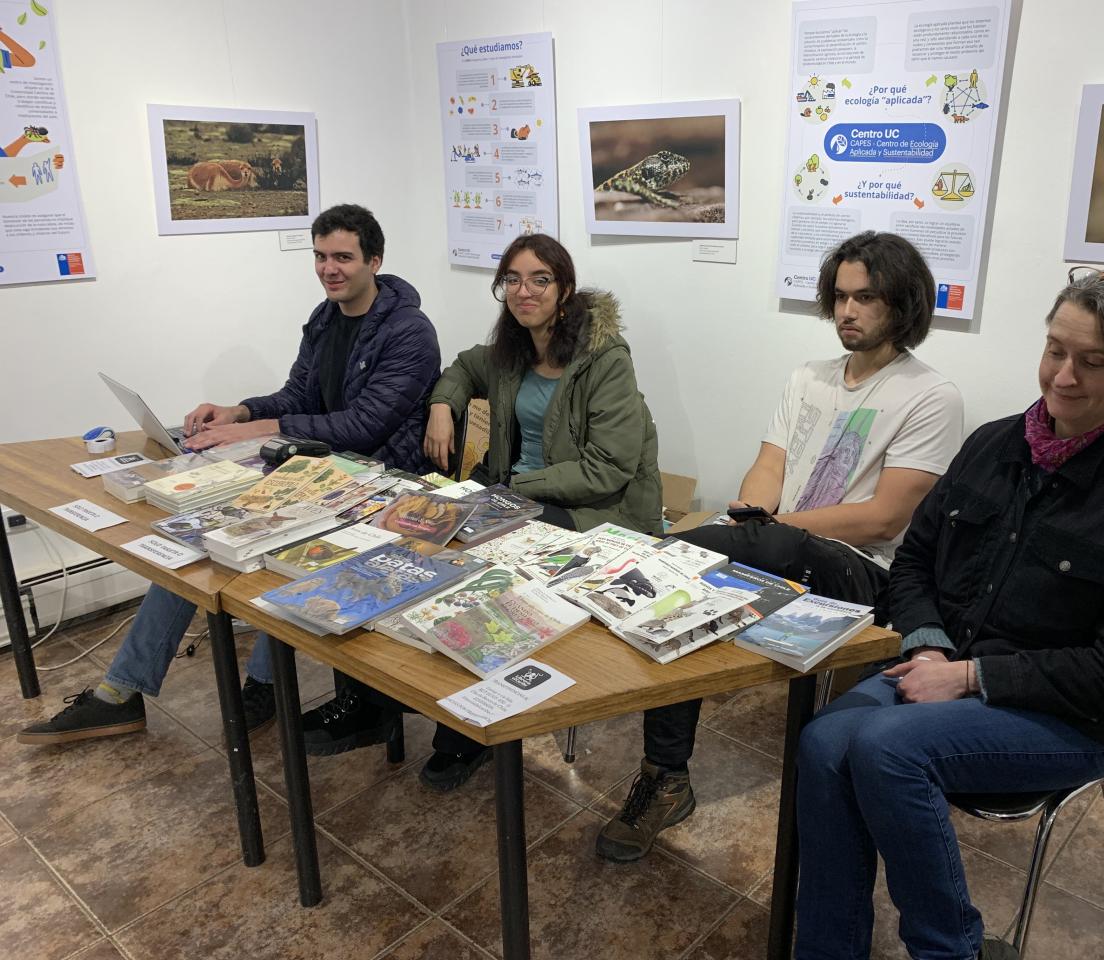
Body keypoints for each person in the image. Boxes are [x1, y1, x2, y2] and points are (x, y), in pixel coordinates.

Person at [794, 268, 1104, 960]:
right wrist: (930, 648)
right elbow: (915, 562)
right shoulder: (994, 444)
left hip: (1080, 717)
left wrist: (970, 679)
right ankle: (828, 949)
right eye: (1056, 350)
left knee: (885, 748)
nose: (1064, 377)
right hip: (943, 666)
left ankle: (950, 949)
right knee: (823, 741)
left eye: (1094, 362)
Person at [595, 230, 964, 863]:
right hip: (777, 544)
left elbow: (883, 518)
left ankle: (656, 561)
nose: (847, 312)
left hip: (865, 574)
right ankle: (665, 776)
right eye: (841, 297)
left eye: (866, 298)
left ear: (901, 305)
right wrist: (758, 519)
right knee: (686, 590)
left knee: (688, 552)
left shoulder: (931, 396)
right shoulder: (807, 378)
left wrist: (774, 529)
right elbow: (766, 468)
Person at [18, 204, 441, 746]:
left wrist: (260, 427)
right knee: (200, 544)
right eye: (320, 256)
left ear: (374, 261)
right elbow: (298, 395)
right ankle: (120, 692)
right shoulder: (324, 318)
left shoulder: (409, 331)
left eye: (343, 257)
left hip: (381, 483)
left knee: (272, 549)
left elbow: (365, 424)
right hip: (321, 471)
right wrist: (238, 412)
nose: (329, 268)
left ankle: (264, 682)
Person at [301, 232, 662, 788]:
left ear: (564, 288)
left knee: (472, 573)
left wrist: (515, 487)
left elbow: (608, 468)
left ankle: (465, 734)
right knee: (398, 544)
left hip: (597, 511)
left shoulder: (605, 360)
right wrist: (443, 405)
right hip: (517, 497)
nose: (524, 291)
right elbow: (463, 368)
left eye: (540, 279)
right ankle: (374, 699)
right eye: (512, 280)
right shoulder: (513, 349)